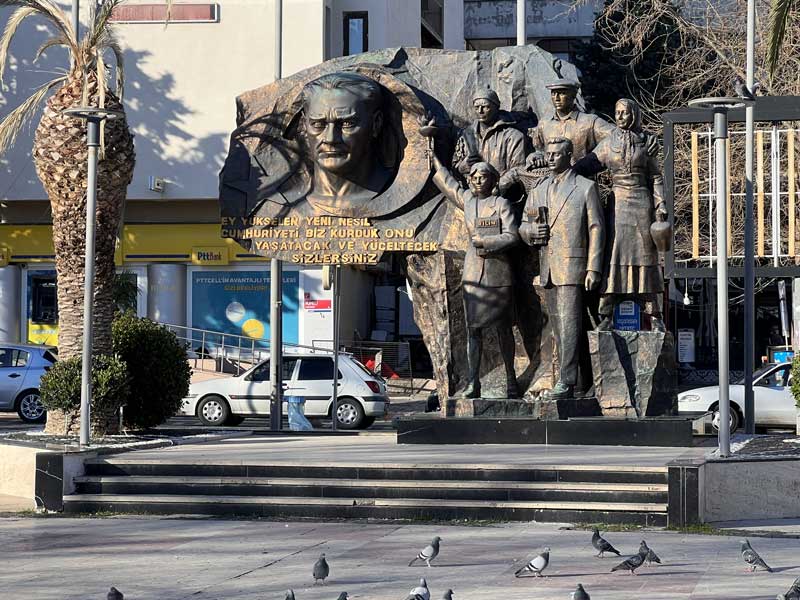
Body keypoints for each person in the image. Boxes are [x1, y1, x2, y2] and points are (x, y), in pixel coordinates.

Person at [423, 119, 521, 398]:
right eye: (474, 177)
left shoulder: (502, 204)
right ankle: (473, 383)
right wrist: (431, 149)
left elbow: (512, 236)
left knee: (503, 331)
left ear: (493, 180)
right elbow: (445, 179)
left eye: (484, 177)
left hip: (499, 275)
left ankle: (511, 381)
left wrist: (485, 242)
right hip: (473, 275)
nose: (478, 180)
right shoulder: (468, 201)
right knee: (472, 331)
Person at [519, 138, 605, 400]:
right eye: (549, 153)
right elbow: (523, 224)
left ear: (569, 155)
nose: (551, 158)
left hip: (573, 267)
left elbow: (596, 228)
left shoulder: (585, 187)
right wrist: (531, 231)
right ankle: (579, 381)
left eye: (557, 153)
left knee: (569, 325)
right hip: (548, 267)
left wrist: (594, 267)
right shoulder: (539, 188)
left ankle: (566, 382)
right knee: (560, 329)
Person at [581, 99, 667, 332]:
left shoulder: (646, 142)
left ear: (634, 114)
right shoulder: (608, 143)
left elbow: (656, 176)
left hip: (642, 203)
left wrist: (660, 205)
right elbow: (586, 165)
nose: (620, 117)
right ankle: (606, 314)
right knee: (614, 255)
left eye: (624, 113)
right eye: (617, 113)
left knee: (646, 257)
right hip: (618, 204)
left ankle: (655, 315)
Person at [300, 72, 394, 216]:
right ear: (304, 126)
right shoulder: (275, 202)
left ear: (376, 124)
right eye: (318, 124)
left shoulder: (400, 190)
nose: (330, 139)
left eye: (347, 123)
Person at [452, 86, 527, 180]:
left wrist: (499, 186)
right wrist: (462, 167)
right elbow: (453, 169)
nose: (480, 111)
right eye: (476, 107)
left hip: (503, 192)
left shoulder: (513, 137)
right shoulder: (466, 135)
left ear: (496, 107)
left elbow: (519, 170)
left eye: (486, 107)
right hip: (470, 192)